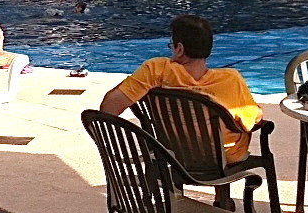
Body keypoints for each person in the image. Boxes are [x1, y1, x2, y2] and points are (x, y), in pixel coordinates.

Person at [100, 15, 262, 161]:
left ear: (179, 49)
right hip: (222, 159)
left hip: (174, 155)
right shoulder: (231, 79)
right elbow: (250, 122)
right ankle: (222, 194)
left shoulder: (156, 69)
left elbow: (108, 107)